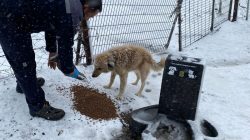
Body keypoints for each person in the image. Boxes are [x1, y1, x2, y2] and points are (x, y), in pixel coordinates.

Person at [0, 0, 102, 121]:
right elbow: (65, 45)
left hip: (15, 17)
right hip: (8, 20)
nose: (89, 19)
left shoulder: (66, 4)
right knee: (24, 63)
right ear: (86, 8)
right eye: (91, 16)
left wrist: (52, 51)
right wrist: (69, 69)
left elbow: (52, 23)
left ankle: (25, 85)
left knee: (25, 60)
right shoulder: (73, 12)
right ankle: (37, 106)